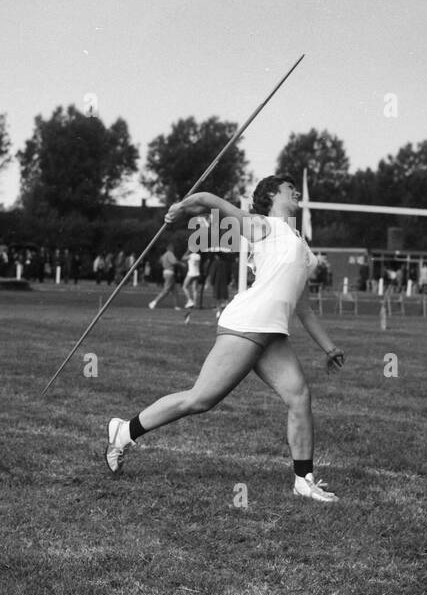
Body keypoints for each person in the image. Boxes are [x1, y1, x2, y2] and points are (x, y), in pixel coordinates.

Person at [106, 175, 346, 502]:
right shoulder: (263, 226)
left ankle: (304, 480)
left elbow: (303, 307)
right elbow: (208, 199)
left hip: (273, 331)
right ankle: (125, 430)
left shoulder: (299, 241)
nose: (296, 192)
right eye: (290, 189)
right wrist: (181, 209)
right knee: (200, 399)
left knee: (299, 397)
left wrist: (329, 347)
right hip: (248, 322)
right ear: (273, 195)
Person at [148, 244, 186, 310]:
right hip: (169, 273)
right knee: (166, 290)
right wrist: (181, 264)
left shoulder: (164, 255)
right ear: (170, 248)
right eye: (173, 248)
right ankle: (153, 302)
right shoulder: (170, 253)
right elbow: (174, 262)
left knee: (175, 291)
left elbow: (160, 262)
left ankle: (176, 306)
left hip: (166, 272)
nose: (174, 249)